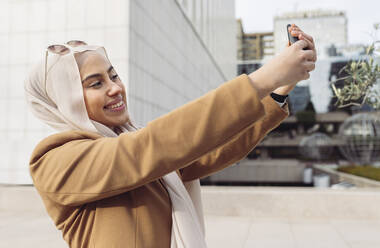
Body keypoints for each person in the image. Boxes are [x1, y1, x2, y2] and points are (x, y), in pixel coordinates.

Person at [24, 25, 316, 248]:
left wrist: (278, 90)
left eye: (113, 76)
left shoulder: (130, 142)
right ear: (65, 100)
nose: (114, 88)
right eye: (95, 83)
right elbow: (153, 146)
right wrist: (263, 78)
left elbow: (208, 149)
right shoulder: (54, 160)